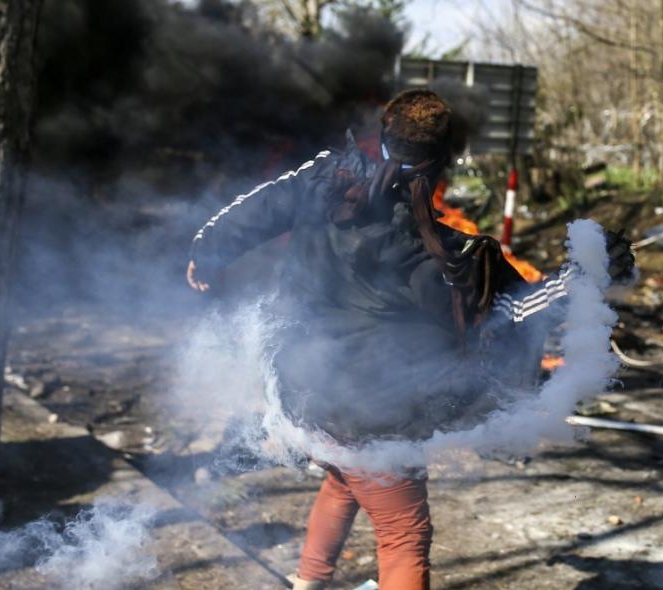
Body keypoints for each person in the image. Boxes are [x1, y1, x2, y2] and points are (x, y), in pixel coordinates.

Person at [187, 89, 634, 589]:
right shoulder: (445, 257)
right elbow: (511, 314)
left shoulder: (323, 180)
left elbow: (260, 207)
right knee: (402, 533)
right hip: (378, 412)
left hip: (305, 391)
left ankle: (308, 584)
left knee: (342, 479)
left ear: (383, 134)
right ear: (444, 160)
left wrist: (206, 253)